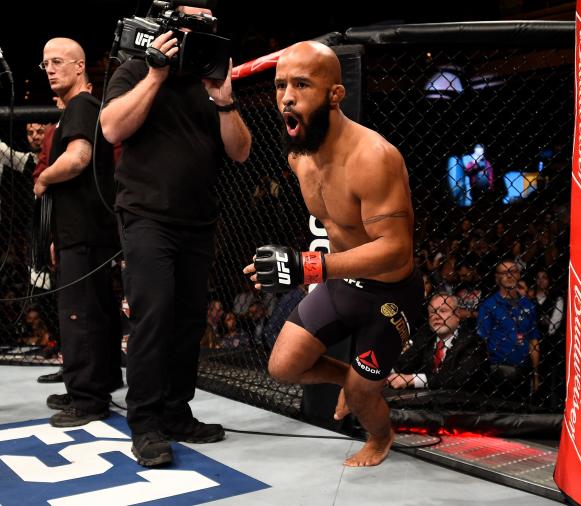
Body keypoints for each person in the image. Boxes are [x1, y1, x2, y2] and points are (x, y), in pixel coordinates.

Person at [243, 41, 423, 467]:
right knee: (283, 365)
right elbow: (336, 227)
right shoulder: (299, 157)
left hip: (388, 292)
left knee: (363, 397)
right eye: (281, 84)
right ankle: (354, 378)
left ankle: (381, 437)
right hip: (343, 281)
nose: (287, 96)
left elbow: (396, 250)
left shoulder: (373, 157)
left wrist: (309, 265)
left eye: (302, 84)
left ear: (335, 94)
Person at [100, 4, 252, 468]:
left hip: (198, 221)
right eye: (187, 31)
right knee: (154, 316)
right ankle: (144, 424)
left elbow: (241, 152)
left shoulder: (209, 83)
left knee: (189, 319)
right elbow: (111, 129)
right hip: (147, 217)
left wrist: (224, 100)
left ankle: (176, 411)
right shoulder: (134, 70)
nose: (194, 40)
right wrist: (154, 76)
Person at [32, 38, 122, 427]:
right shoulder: (81, 107)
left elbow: (79, 158)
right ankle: (92, 384)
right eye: (45, 64)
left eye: (57, 62)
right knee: (94, 312)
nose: (50, 69)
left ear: (80, 66)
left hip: (85, 232)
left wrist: (43, 179)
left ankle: (88, 399)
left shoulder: (82, 106)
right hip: (85, 230)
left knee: (79, 314)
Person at [388, 293, 487, 390]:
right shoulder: (424, 337)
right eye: (432, 312)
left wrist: (413, 379)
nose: (436, 316)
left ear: (457, 316)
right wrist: (384, 374)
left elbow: (458, 378)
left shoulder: (473, 342)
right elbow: (403, 364)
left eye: (443, 311)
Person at [477, 260, 541, 397]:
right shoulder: (488, 305)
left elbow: (533, 341)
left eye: (513, 271)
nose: (509, 275)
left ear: (519, 275)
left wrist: (536, 375)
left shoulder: (529, 305)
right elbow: (482, 342)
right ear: (496, 277)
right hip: (496, 371)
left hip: (524, 371)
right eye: (504, 272)